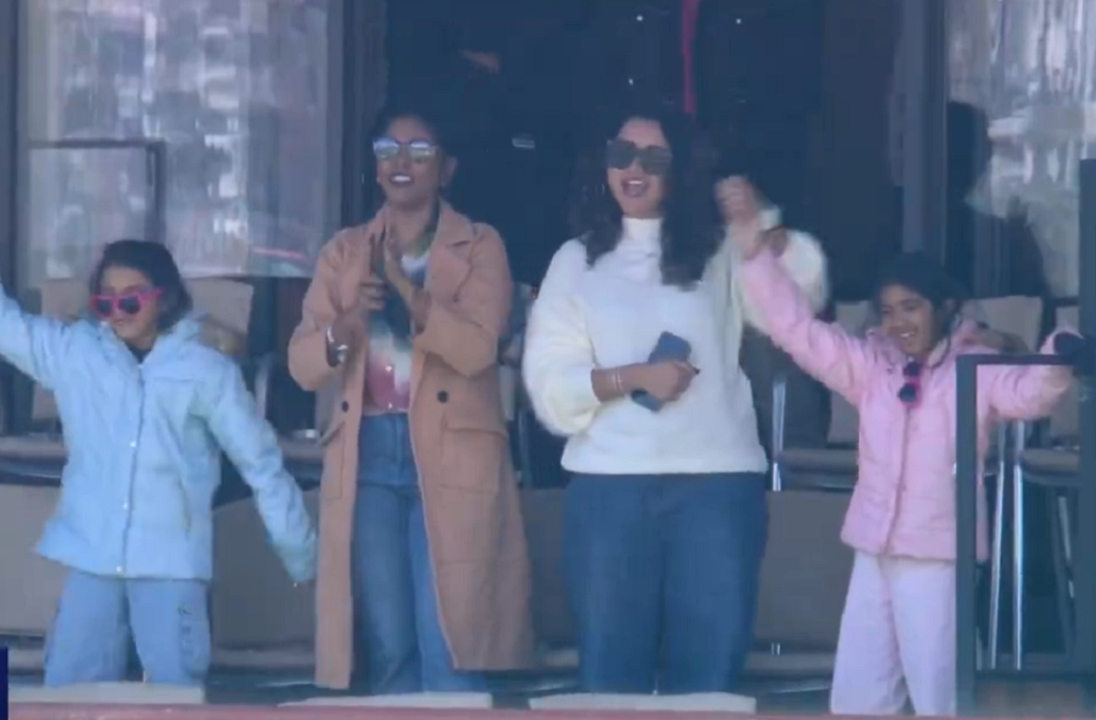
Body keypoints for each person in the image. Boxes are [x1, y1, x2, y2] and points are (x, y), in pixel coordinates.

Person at [0, 201, 316, 686]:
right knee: (70, 695)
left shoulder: (206, 371)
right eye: (106, 302)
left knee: (174, 699)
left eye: (132, 299)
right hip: (92, 556)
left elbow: (260, 461)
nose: (118, 311)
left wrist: (299, 552)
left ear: (165, 299)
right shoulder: (76, 353)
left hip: (170, 564)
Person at [522, 98, 829, 693]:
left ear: (680, 168)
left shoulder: (718, 252)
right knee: (609, 683)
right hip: (609, 488)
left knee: (708, 686)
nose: (633, 168)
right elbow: (550, 390)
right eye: (621, 154)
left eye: (653, 156)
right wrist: (632, 377)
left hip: (715, 487)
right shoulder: (575, 260)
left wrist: (763, 232)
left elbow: (799, 303)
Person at [739, 241, 1075, 715]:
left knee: (937, 697)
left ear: (945, 307)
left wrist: (1061, 353)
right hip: (873, 550)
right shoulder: (872, 367)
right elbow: (797, 331)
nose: (899, 322)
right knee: (859, 697)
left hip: (937, 556)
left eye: (911, 307)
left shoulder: (974, 366)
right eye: (889, 311)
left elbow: (1029, 394)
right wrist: (757, 256)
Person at [287, 106, 534, 693]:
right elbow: (301, 367)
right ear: (374, 167)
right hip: (367, 454)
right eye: (387, 150)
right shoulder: (345, 251)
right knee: (388, 643)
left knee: (451, 638)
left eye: (419, 151)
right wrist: (345, 323)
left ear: (446, 168)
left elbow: (477, 349)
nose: (401, 163)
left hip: (451, 456)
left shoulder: (480, 245)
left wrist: (407, 293)